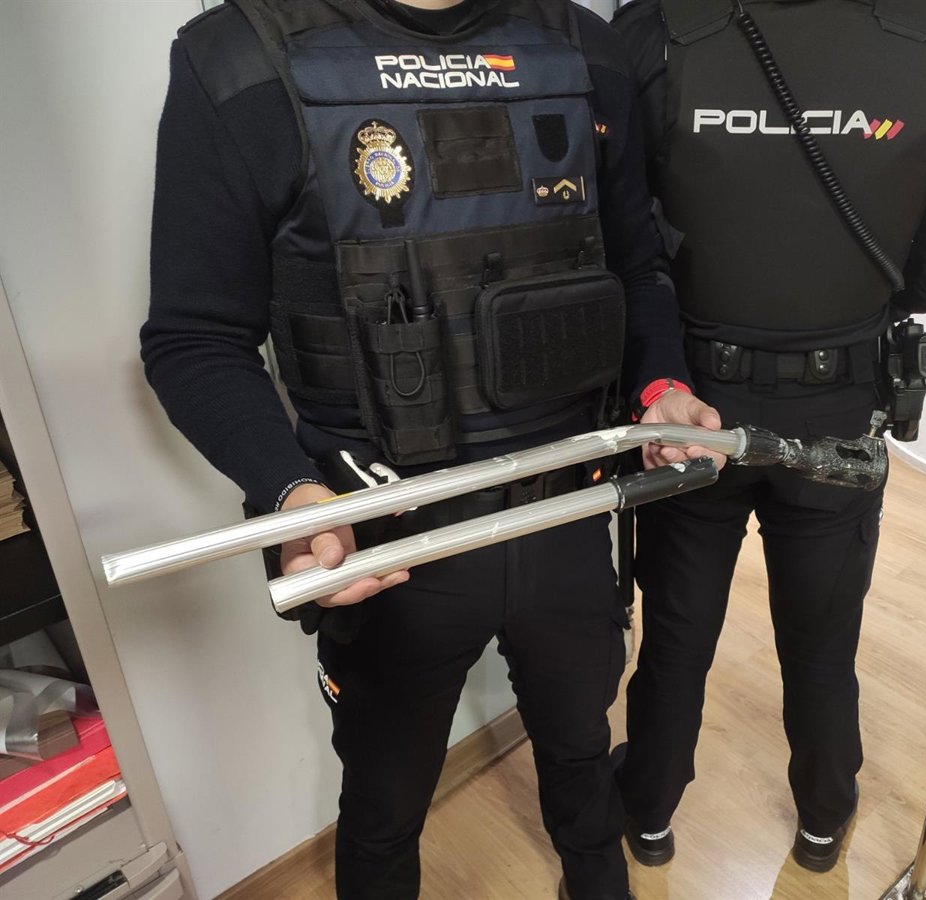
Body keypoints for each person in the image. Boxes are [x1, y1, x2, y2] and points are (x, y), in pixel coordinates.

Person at [140, 0, 724, 897]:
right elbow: (194, 338)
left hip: (568, 509)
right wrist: (292, 492)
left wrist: (661, 389)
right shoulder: (240, 61)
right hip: (385, 539)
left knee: (581, 760)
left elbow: (637, 266)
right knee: (383, 808)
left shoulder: (586, 50)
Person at [610, 0, 926, 874]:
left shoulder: (656, 27)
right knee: (823, 642)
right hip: (837, 405)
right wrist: (847, 307)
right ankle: (824, 821)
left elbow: (622, 239)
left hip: (692, 404)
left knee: (676, 636)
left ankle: (648, 813)